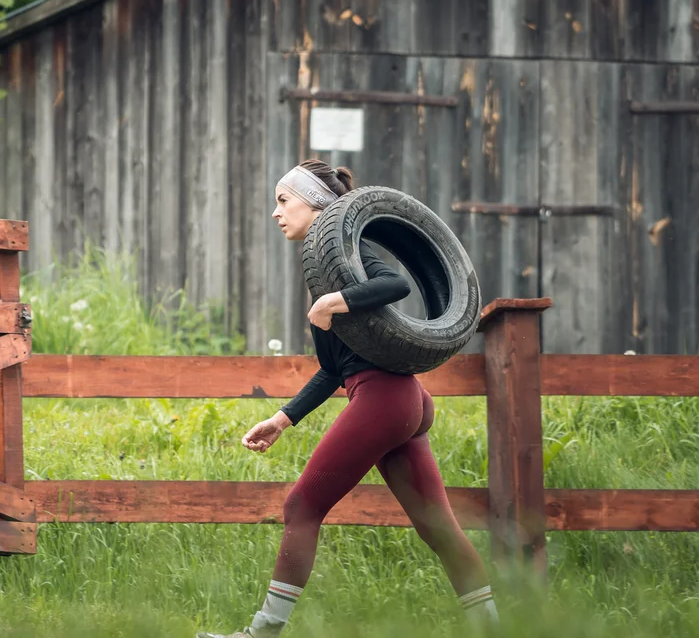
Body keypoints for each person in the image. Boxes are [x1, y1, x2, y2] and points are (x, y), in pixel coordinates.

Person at [197, 160, 498, 638]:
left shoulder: (352, 251)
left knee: (301, 508)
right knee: (438, 528)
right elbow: (337, 369)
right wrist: (283, 417)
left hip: (385, 398)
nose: (275, 213)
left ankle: (261, 634)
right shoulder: (321, 264)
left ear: (316, 203)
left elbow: (397, 284)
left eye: (283, 201)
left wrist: (337, 301)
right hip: (398, 400)